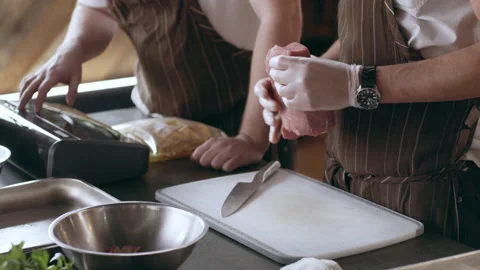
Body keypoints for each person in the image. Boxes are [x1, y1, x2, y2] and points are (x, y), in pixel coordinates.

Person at [256, 0, 480, 248]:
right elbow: (384, 27)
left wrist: (361, 84)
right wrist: (308, 76)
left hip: (446, 191)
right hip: (348, 181)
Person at [17, 0, 302, 172]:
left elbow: (282, 14)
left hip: (245, 128)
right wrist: (73, 48)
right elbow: (98, 10)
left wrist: (251, 138)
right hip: (159, 127)